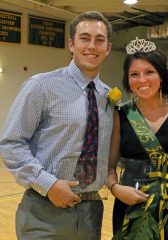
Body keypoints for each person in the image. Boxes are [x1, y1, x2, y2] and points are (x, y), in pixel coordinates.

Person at [0, 11, 113, 240]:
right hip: (44, 209)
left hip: (92, 212)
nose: (92, 46)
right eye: (84, 38)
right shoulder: (41, 86)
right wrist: (48, 185)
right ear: (71, 44)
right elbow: (11, 143)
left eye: (99, 40)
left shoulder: (109, 97)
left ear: (108, 48)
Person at [108, 38, 168, 239]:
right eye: (134, 74)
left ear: (161, 75)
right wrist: (115, 188)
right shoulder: (122, 114)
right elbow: (110, 168)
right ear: (128, 80)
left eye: (149, 72)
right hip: (130, 209)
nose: (142, 80)